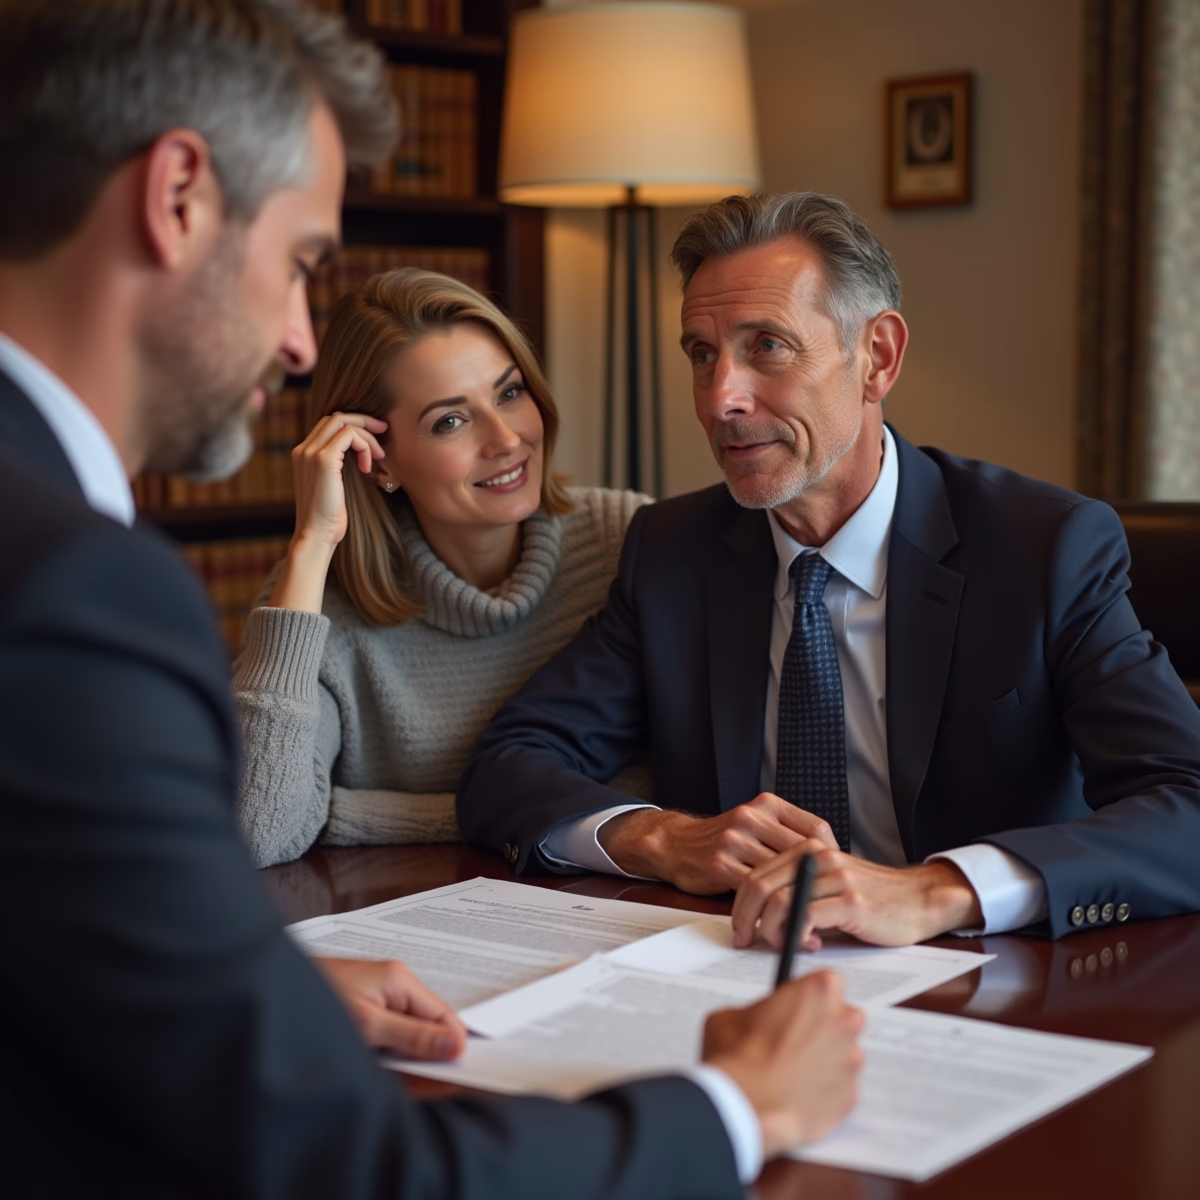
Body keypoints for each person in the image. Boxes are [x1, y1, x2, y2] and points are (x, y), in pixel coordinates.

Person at [0, 4, 865, 1196]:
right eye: (301, 261)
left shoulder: (636, 544)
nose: (296, 344)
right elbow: (351, 1164)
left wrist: (266, 986)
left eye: (508, 393)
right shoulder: (80, 586)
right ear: (178, 195)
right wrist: (733, 1108)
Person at [458, 190, 1200, 946]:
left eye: (767, 346)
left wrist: (937, 891)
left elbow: (1188, 802)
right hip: (741, 963)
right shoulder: (672, 552)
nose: (721, 399)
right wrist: (660, 838)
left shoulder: (1044, 548)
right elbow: (508, 764)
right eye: (702, 354)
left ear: (878, 357)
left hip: (990, 978)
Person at [235, 269, 650, 867]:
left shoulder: (628, 541)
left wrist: (341, 813)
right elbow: (258, 827)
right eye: (450, 421)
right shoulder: (316, 601)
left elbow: (670, 782)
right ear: (378, 460)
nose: (505, 439)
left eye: (510, 393)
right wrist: (312, 542)